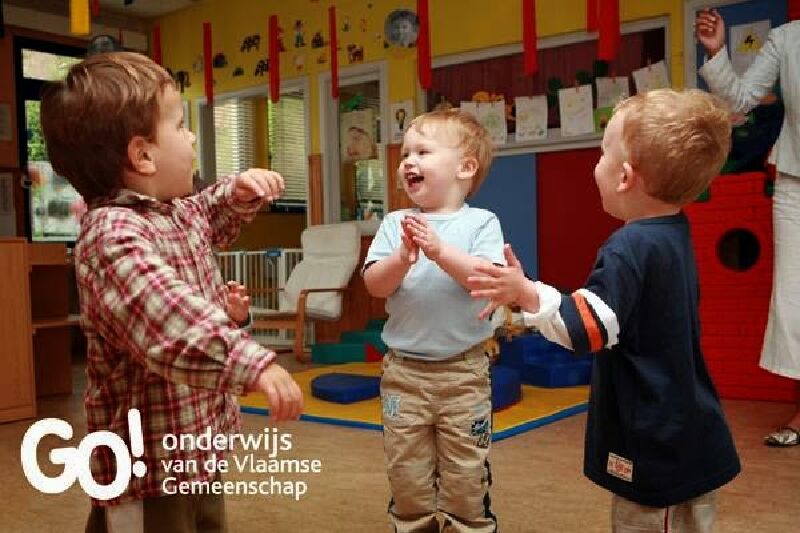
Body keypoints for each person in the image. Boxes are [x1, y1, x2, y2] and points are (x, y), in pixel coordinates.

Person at [39, 51, 303, 532]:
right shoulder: (111, 235)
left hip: (194, 451)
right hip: (147, 469)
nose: (192, 136)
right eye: (181, 125)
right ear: (142, 155)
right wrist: (250, 360)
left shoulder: (173, 210)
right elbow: (168, 320)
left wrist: (237, 192)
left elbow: (206, 214)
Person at [467, 89, 741, 532]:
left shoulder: (630, 246)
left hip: (658, 441)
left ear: (625, 177)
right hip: (681, 429)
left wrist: (525, 292)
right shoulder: (673, 232)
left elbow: (586, 329)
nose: (595, 164)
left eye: (601, 153)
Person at [363, 109, 504, 532]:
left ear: (465, 167)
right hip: (404, 373)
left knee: (465, 475)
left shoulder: (482, 223)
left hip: (464, 373)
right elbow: (374, 285)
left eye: (422, 151)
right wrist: (401, 259)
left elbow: (485, 280)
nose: (408, 161)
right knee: (407, 475)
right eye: (405, 153)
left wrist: (440, 251)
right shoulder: (394, 224)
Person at [696, 10, 800, 447]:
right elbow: (740, 101)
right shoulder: (786, 39)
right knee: (794, 300)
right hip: (795, 185)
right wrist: (718, 52)